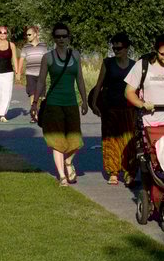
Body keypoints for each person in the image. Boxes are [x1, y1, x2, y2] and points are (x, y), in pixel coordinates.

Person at [31, 23, 88, 185]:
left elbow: (80, 80)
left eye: (64, 36)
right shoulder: (48, 57)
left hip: (71, 103)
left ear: (69, 38)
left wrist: (84, 101)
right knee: (56, 140)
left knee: (75, 140)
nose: (61, 39)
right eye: (58, 36)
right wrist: (35, 102)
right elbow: (41, 80)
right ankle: (62, 175)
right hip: (53, 104)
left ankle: (68, 162)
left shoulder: (76, 55)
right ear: (54, 39)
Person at [89, 32, 138, 186]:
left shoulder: (134, 65)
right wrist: (95, 103)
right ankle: (113, 172)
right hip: (110, 108)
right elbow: (99, 84)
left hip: (129, 109)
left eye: (119, 48)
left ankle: (130, 172)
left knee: (129, 141)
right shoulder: (108, 63)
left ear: (127, 48)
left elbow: (139, 88)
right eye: (114, 48)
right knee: (111, 140)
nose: (116, 50)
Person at [20, 26, 49, 121]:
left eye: (29, 34)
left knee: (41, 96)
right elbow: (21, 59)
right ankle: (34, 115)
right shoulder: (26, 47)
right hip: (30, 74)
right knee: (32, 94)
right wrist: (18, 72)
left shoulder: (43, 46)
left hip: (41, 74)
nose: (27, 36)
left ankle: (41, 113)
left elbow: (47, 59)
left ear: (35, 34)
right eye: (27, 35)